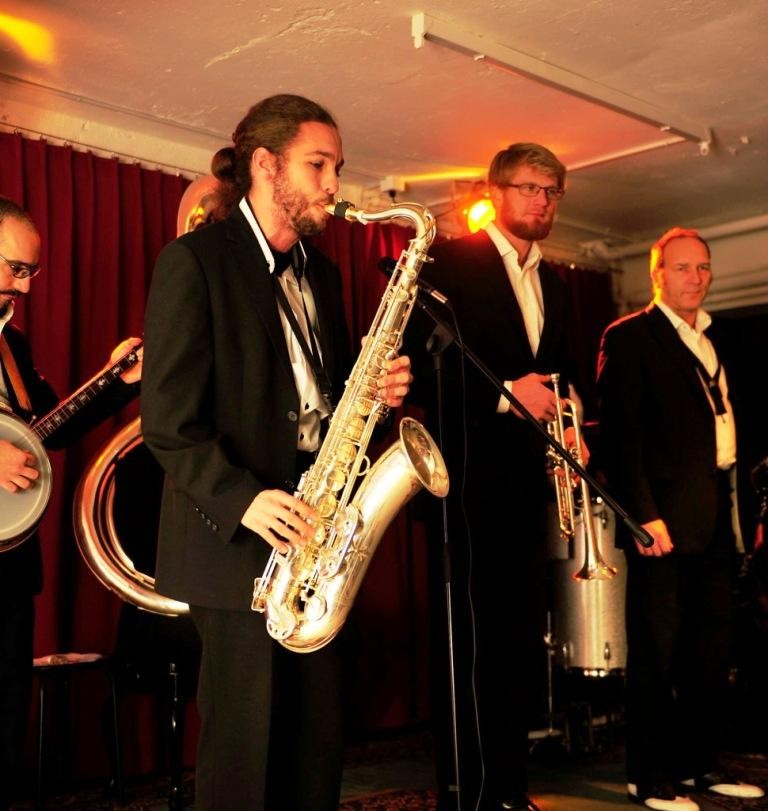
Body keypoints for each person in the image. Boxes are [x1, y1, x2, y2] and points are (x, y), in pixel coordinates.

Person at [140, 94, 412, 811]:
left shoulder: (321, 273)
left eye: (336, 167)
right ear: (265, 165)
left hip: (313, 532)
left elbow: (321, 400)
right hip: (237, 541)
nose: (334, 183)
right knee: (245, 752)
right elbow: (167, 421)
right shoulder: (194, 261)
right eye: (318, 165)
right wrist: (245, 499)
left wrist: (375, 392)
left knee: (315, 741)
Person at [405, 143, 578, 811]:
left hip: (526, 492)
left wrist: (571, 418)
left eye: (552, 191)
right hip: (464, 491)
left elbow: (560, 375)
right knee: (468, 650)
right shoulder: (449, 263)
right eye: (530, 187)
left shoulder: (555, 283)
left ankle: (508, 790)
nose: (542, 200)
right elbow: (419, 372)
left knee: (517, 650)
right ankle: (467, 796)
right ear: (496, 192)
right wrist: (507, 395)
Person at [596, 227, 765, 810]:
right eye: (683, 267)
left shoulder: (714, 339)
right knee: (656, 652)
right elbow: (621, 439)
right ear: (658, 275)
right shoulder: (630, 336)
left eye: (703, 267)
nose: (696, 277)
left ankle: (701, 766)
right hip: (661, 522)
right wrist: (644, 515)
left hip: (716, 514)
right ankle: (648, 776)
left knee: (710, 650)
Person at [0, 196, 142, 810]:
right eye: (14, 268)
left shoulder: (14, 345)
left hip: (10, 566)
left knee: (5, 719)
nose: (24, 286)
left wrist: (115, 384)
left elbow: (47, 430)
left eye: (31, 272)